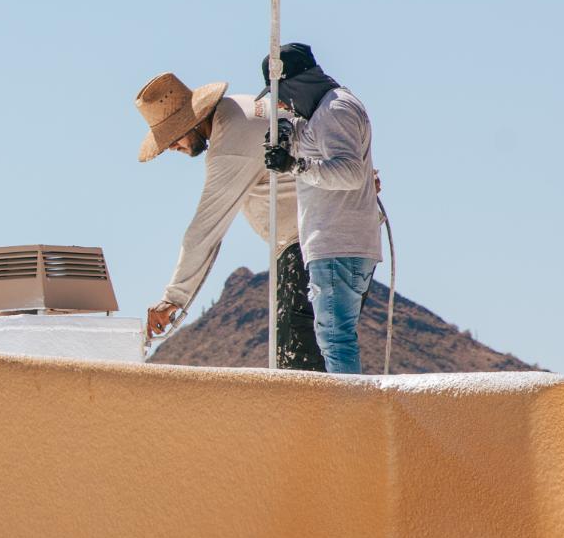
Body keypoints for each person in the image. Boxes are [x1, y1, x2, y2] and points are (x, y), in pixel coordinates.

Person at [133, 71, 322, 370]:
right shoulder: (243, 106)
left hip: (308, 249)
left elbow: (206, 229)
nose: (171, 148)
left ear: (192, 122)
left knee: (299, 366)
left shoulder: (231, 143)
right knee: (330, 355)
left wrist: (173, 298)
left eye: (172, 138)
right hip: (338, 234)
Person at [258, 43, 381, 375]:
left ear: (295, 83)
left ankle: (347, 417)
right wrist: (290, 133)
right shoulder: (328, 110)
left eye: (280, 94)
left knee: (334, 338)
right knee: (334, 335)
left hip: (337, 243)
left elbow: (352, 173)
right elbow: (323, 147)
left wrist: (295, 165)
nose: (282, 103)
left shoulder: (335, 111)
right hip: (341, 243)